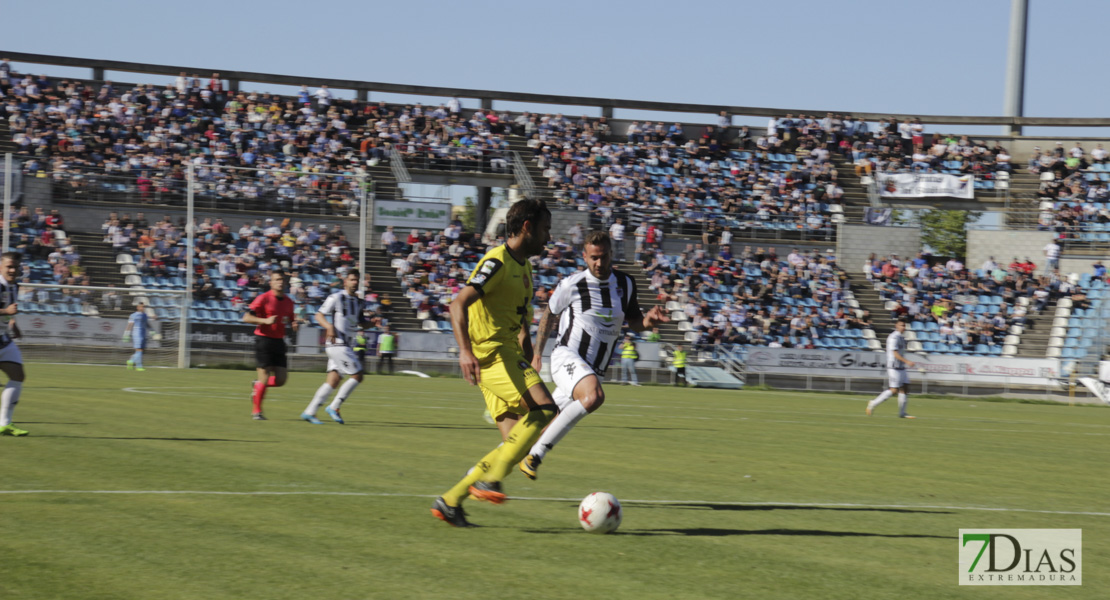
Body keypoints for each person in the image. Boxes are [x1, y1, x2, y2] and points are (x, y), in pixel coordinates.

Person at [431, 199, 558, 528]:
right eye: (545, 229)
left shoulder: (525, 267)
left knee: (512, 445)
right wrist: (464, 351)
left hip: (508, 357)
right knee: (545, 410)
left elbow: (521, 325)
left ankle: (449, 501)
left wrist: (530, 358)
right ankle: (489, 480)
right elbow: (458, 303)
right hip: (491, 356)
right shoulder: (497, 262)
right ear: (527, 227)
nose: (549, 237)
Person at [519, 231, 669, 481]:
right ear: (585, 257)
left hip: (592, 370)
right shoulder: (572, 284)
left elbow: (633, 321)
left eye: (604, 257)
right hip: (566, 357)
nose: (600, 263)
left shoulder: (626, 283)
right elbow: (549, 314)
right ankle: (537, 456)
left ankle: (488, 474)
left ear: (611, 254)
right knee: (594, 396)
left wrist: (648, 321)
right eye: (594, 258)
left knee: (537, 427)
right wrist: (537, 355)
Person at [301, 270, 365, 425]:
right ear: (345, 282)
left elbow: (360, 322)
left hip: (346, 345)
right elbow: (319, 315)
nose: (354, 282)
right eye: (351, 279)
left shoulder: (359, 302)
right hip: (337, 343)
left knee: (333, 380)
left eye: (356, 280)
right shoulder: (336, 297)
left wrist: (372, 323)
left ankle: (310, 412)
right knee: (358, 375)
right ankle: (334, 407)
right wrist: (329, 326)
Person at [243, 271, 297, 420]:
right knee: (265, 378)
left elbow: (291, 318)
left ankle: (257, 385)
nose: (280, 282)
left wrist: (294, 323)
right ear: (271, 283)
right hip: (264, 340)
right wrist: (265, 321)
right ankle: (257, 412)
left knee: (281, 380)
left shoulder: (289, 302)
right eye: (277, 280)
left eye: (282, 280)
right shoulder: (263, 298)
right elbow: (246, 317)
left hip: (279, 341)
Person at [0, 253, 28, 436]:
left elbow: (8, 310)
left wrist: (12, 323)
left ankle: (5, 424)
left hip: (3, 338)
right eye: (9, 266)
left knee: (18, 375)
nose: (12, 270)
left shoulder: (14, 286)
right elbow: (6, 309)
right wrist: (5, 311)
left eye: (15, 267)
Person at [866, 319, 916, 419]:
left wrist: (904, 362)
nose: (903, 327)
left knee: (905, 388)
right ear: (896, 326)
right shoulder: (893, 337)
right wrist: (907, 361)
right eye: (902, 325)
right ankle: (873, 403)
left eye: (904, 325)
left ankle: (902, 413)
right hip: (894, 367)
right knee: (894, 390)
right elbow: (895, 353)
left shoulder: (901, 337)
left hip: (901, 367)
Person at [123, 302, 152, 371]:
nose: (142, 308)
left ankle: (131, 361)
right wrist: (126, 334)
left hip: (143, 333)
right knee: (139, 350)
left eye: (143, 307)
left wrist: (152, 331)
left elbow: (147, 324)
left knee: (140, 351)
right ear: (138, 307)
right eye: (141, 307)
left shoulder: (145, 315)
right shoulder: (133, 315)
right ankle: (138, 366)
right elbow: (130, 325)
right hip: (136, 334)